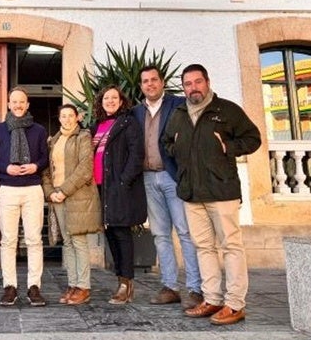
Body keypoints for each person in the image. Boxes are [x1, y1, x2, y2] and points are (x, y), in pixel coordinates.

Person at [163, 63, 261, 325]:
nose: (193, 88)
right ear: (183, 87)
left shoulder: (226, 110)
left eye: (197, 82)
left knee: (231, 246)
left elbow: (253, 139)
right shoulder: (180, 113)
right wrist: (179, 155)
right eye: (188, 84)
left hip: (222, 190)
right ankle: (212, 298)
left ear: (207, 82)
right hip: (192, 193)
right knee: (203, 247)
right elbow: (166, 142)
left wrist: (227, 147)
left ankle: (235, 304)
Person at [131, 66, 203, 310]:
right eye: (145, 81)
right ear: (140, 86)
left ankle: (195, 288)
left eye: (154, 80)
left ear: (162, 82)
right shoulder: (136, 112)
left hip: (173, 177)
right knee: (160, 235)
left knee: (184, 232)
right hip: (149, 179)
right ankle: (170, 287)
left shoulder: (179, 104)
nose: (149, 84)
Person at [0, 87, 48, 307]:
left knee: (34, 240)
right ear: (9, 104)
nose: (18, 105)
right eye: (14, 102)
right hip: (8, 188)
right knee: (8, 241)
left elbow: (45, 158)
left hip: (32, 189)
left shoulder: (39, 130)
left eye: (22, 102)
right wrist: (6, 167)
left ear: (28, 104)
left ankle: (34, 287)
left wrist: (35, 166)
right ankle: (9, 287)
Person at [91, 85, 147, 305]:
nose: (110, 101)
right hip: (99, 188)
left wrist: (123, 180)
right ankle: (120, 280)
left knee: (121, 233)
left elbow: (136, 154)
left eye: (115, 98)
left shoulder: (128, 123)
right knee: (111, 234)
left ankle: (126, 283)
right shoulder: (96, 125)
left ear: (122, 101)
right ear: (101, 102)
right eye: (106, 98)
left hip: (118, 187)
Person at [42, 104, 102, 305]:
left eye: (70, 116)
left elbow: (85, 168)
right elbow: (46, 171)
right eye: (63, 116)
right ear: (59, 118)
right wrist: (51, 192)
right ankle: (73, 284)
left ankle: (84, 287)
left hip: (77, 194)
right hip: (57, 196)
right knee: (67, 241)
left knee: (78, 241)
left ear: (77, 117)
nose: (66, 119)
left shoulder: (83, 137)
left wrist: (63, 190)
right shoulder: (53, 140)